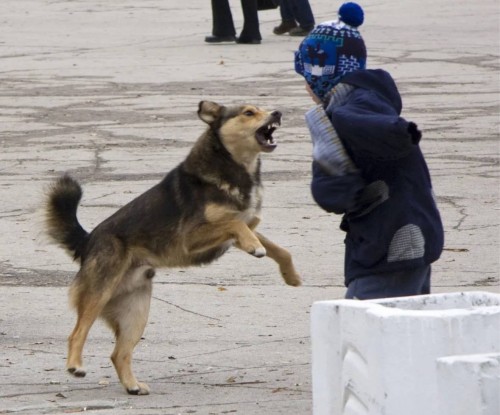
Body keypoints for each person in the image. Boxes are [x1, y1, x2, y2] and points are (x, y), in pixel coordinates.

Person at [294, 2, 444, 300]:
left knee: (363, 333)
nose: (305, 87)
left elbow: (334, 192)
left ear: (319, 74)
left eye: (305, 77)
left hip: (391, 246)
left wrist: (395, 132)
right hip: (404, 236)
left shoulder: (348, 114)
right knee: (407, 333)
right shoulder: (365, 99)